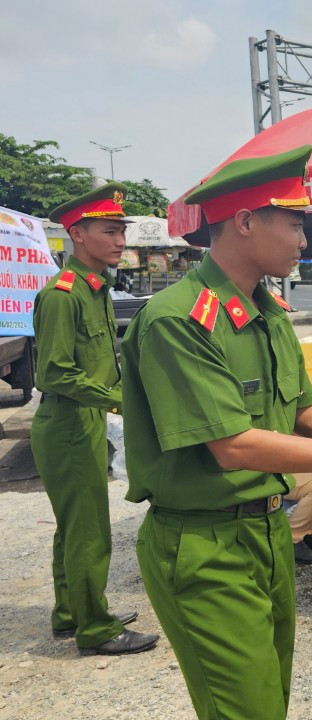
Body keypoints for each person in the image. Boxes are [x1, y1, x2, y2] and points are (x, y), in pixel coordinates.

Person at [122, 145, 312, 720]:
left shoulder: (265, 311)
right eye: (295, 224)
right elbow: (234, 446)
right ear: (245, 222)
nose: (303, 242)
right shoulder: (178, 318)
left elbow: (304, 413)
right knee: (246, 710)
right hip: (204, 543)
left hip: (267, 533)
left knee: (272, 699)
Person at [34, 183, 159, 656]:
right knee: (88, 529)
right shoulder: (63, 295)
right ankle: (96, 628)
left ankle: (72, 612)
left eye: (122, 232)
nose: (120, 241)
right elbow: (54, 371)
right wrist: (120, 400)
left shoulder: (96, 288)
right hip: (67, 422)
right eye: (110, 231)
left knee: (74, 525)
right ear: (78, 234)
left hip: (83, 419)